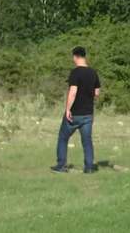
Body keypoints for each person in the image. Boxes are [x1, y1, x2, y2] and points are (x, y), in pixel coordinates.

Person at [51, 46, 101, 174]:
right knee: (87, 141)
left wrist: (68, 109)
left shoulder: (75, 72)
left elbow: (73, 92)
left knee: (63, 137)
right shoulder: (93, 72)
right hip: (88, 113)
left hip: (75, 113)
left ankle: (61, 165)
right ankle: (89, 167)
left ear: (75, 56)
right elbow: (97, 92)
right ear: (84, 56)